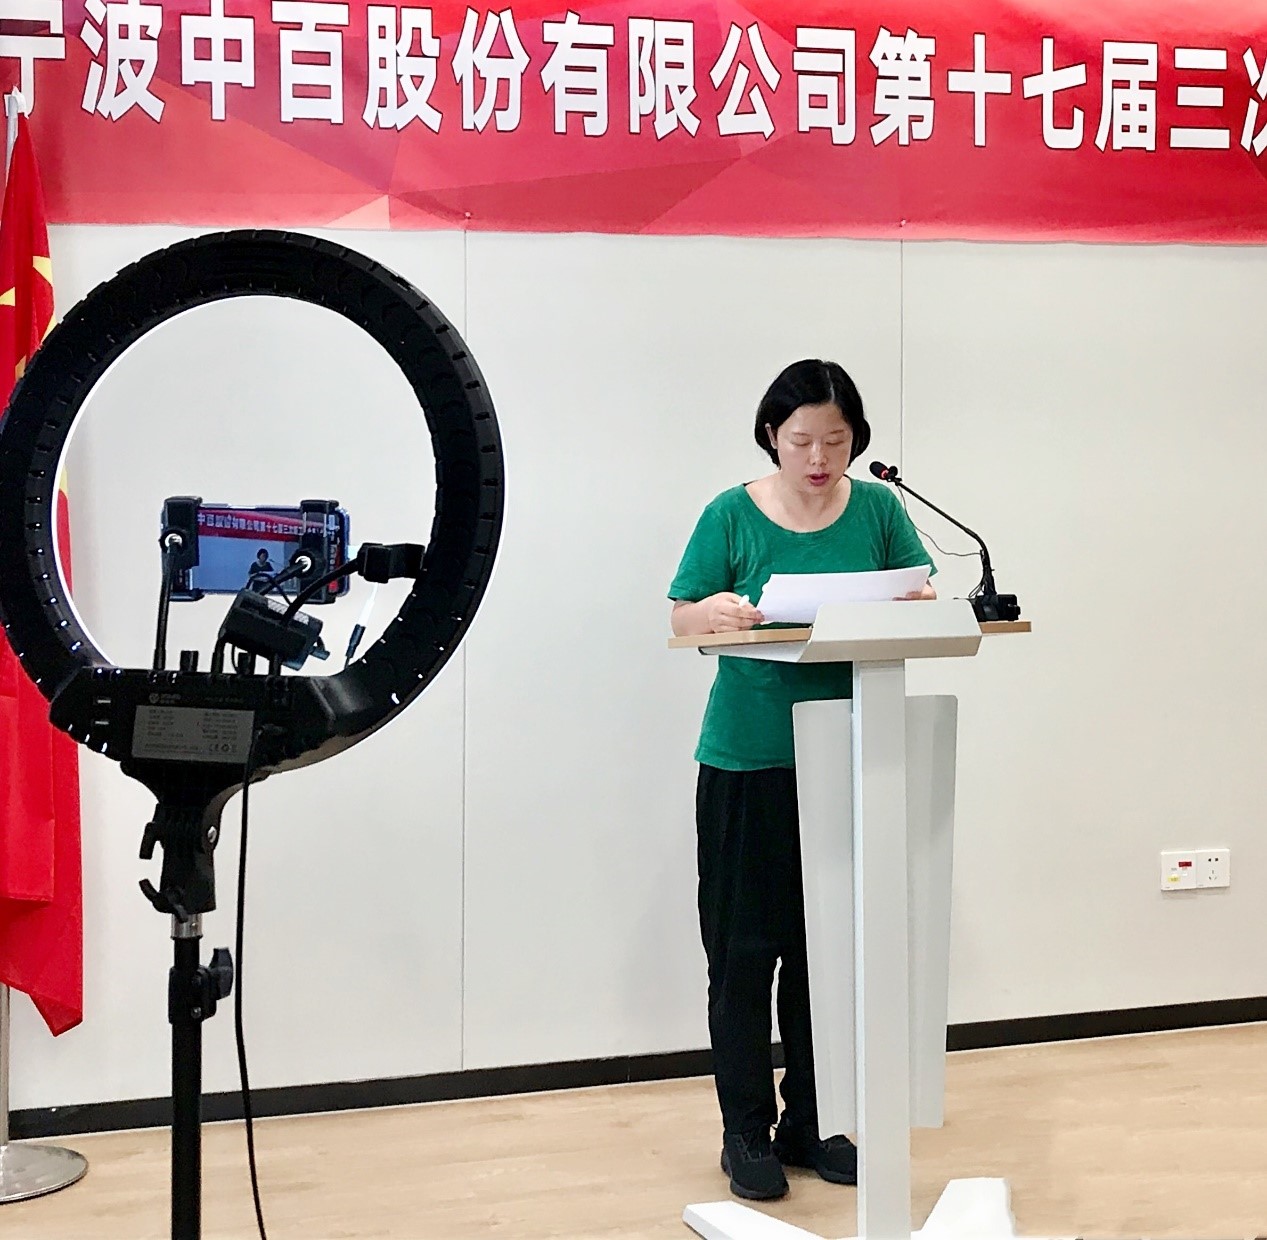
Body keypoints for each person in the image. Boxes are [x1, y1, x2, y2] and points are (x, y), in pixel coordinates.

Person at [667, 359, 936, 1202]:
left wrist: (919, 603)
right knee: (744, 958)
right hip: (749, 760)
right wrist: (712, 612)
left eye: (836, 440)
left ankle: (814, 1124)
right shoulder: (730, 512)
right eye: (801, 441)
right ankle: (744, 1132)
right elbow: (681, 613)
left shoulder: (880, 509)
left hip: (851, 752)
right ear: (771, 437)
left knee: (830, 956)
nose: (819, 458)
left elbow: (920, 591)